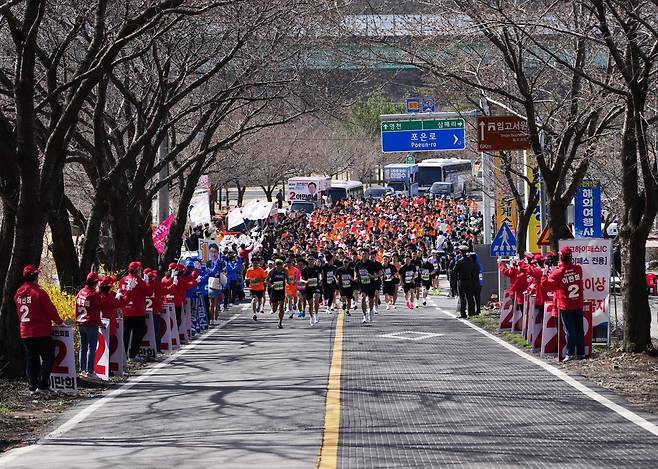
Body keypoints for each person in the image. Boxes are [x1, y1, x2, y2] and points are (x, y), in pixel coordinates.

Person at [14, 265, 64, 395]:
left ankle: (33, 385)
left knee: (32, 359)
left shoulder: (18, 294)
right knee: (48, 358)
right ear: (35, 277)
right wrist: (60, 322)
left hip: (25, 332)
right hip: (41, 331)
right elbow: (50, 310)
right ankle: (42, 385)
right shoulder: (39, 293)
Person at [541, 247, 585, 361]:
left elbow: (547, 285)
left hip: (566, 305)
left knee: (569, 330)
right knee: (579, 329)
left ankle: (570, 353)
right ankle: (581, 352)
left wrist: (545, 274)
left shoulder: (558, 273)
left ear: (561, 258)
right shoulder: (578, 269)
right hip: (578, 303)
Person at [119, 261, 154, 361]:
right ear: (137, 270)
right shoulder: (138, 280)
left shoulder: (123, 279)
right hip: (137, 311)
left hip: (126, 310)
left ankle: (123, 355)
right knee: (139, 332)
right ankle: (133, 354)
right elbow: (149, 292)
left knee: (126, 334)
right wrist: (147, 282)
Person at [75, 272, 105, 379]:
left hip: (81, 322)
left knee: (83, 347)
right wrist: (100, 323)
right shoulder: (93, 295)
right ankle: (90, 371)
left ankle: (82, 370)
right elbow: (98, 309)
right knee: (91, 347)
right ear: (95, 282)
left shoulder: (80, 292)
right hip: (91, 323)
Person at [452, 245, 475, 318]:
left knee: (462, 298)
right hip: (469, 280)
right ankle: (471, 312)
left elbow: (454, 272)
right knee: (470, 297)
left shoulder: (459, 261)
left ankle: (463, 313)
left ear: (461, 252)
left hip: (461, 281)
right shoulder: (470, 260)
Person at [245, 256, 268, 321]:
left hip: (260, 288)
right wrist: (249, 279)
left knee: (259, 301)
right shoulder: (249, 270)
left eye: (256, 263)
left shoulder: (261, 270)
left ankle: (259, 306)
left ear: (258, 263)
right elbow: (246, 278)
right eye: (253, 263)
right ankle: (254, 314)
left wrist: (258, 280)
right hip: (252, 288)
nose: (255, 264)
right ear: (252, 263)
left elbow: (264, 278)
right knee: (254, 300)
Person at [268, 259, 288, 328]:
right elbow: (266, 280)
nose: (279, 266)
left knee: (281, 307)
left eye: (280, 264)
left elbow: (288, 279)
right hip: (274, 291)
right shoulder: (272, 271)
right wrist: (271, 285)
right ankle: (273, 308)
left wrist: (290, 282)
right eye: (278, 264)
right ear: (275, 265)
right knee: (274, 309)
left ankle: (280, 322)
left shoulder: (284, 271)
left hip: (281, 291)